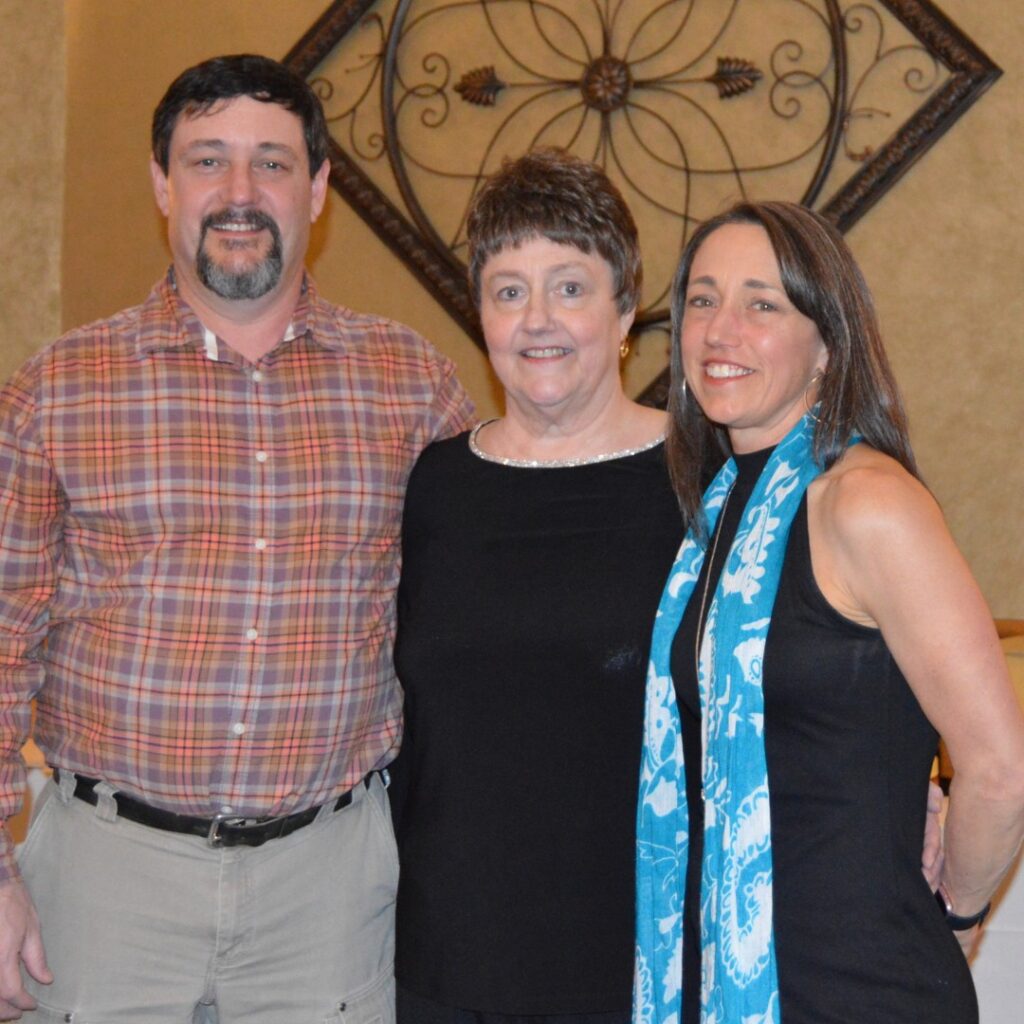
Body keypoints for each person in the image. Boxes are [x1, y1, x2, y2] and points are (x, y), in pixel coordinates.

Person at [0, 54, 473, 1024]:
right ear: (162, 183)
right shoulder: (58, 390)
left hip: (328, 892)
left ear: (320, 189)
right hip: (104, 879)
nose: (240, 193)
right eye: (208, 160)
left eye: (272, 163)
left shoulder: (412, 386)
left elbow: (476, 615)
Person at [634, 200, 1024, 1024]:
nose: (719, 330)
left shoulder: (865, 502)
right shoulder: (714, 516)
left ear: (827, 341)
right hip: (730, 983)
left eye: (762, 304)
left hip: (862, 986)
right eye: (701, 300)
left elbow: (1000, 766)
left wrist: (953, 917)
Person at [388, 149, 680, 1022]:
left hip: (637, 960)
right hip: (446, 958)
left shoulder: (704, 480)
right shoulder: (435, 484)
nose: (537, 320)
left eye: (570, 287)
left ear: (625, 306)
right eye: (509, 290)